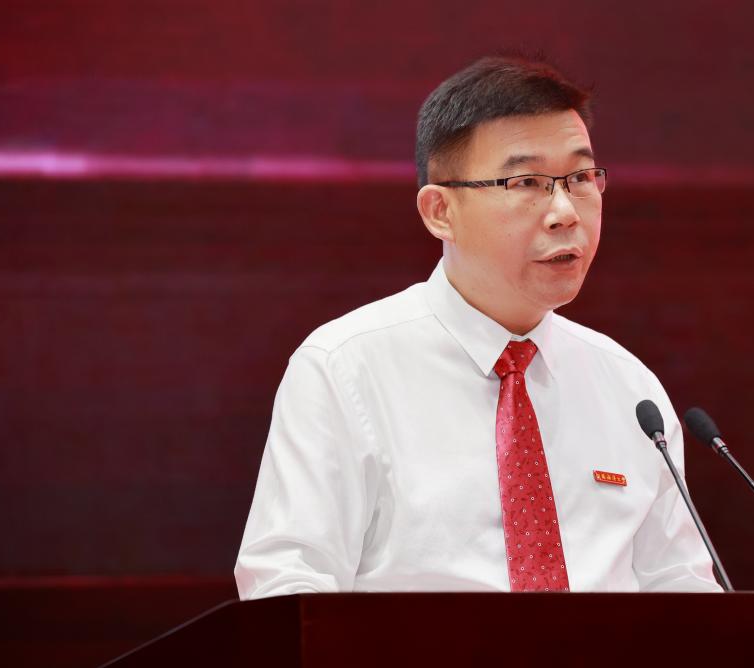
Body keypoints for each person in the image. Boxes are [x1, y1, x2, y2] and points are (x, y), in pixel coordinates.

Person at [234, 56, 721, 596]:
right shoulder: (345, 369)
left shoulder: (629, 389)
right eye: (527, 181)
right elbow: (288, 586)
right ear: (440, 211)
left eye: (581, 178)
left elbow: (681, 590)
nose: (566, 211)